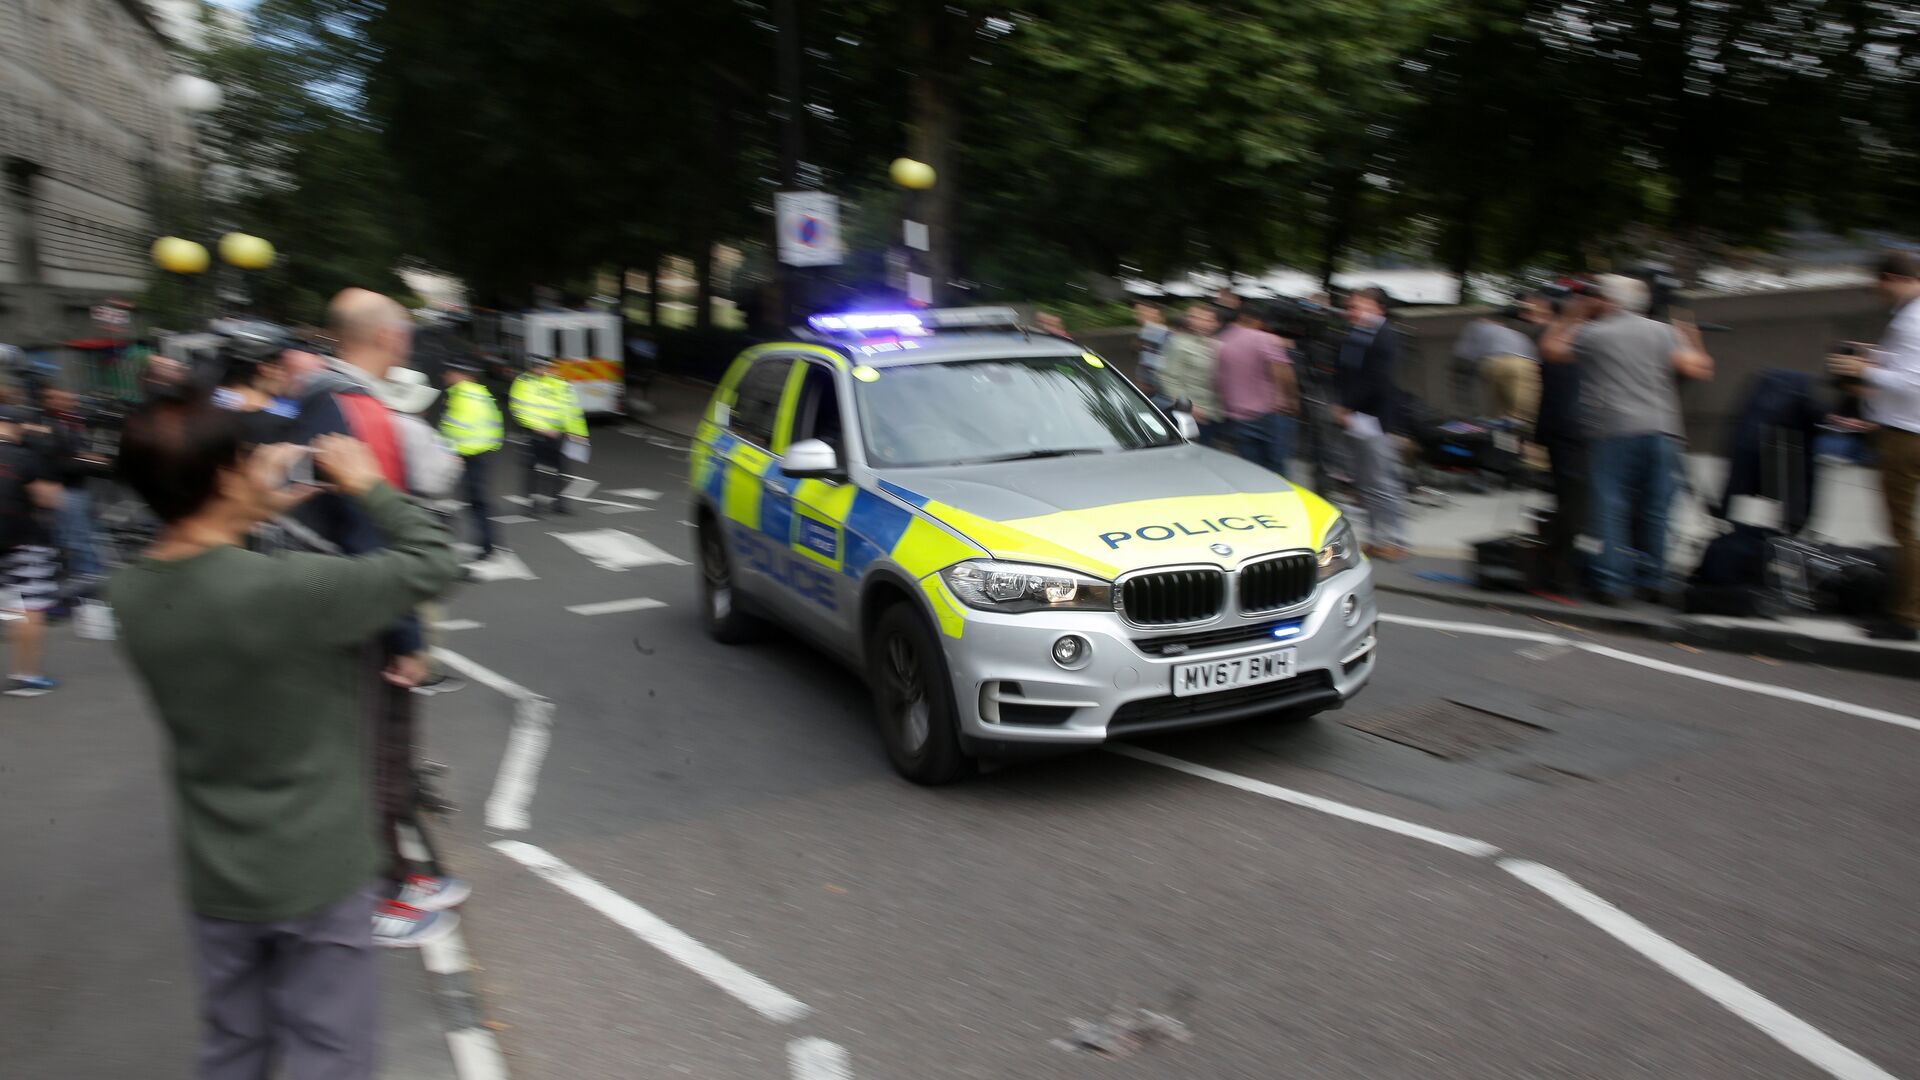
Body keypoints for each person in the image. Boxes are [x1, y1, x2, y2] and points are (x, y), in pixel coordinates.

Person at [111, 402, 459, 1080]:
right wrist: (369, 484)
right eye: (245, 460)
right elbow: (433, 561)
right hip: (317, 870)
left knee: (234, 1049)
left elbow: (206, 577)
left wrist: (246, 508)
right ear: (222, 476)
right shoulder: (294, 590)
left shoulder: (128, 594)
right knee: (330, 1056)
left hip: (217, 874)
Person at [295, 289, 467, 945]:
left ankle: (394, 875)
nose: (408, 337)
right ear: (386, 336)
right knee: (373, 753)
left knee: (382, 753)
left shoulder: (328, 397)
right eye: (403, 326)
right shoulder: (354, 409)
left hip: (331, 607)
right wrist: (408, 635)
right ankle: (372, 897)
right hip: (356, 616)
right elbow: (376, 537)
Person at [1541, 273, 1712, 606]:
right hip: (1664, 431)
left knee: (1610, 506)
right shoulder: (1663, 332)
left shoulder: (1594, 334)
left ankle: (1613, 584)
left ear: (1607, 301)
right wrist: (1692, 338)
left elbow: (1550, 350)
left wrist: (1571, 314)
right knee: (1657, 510)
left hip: (1612, 431)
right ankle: (1656, 580)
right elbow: (1698, 368)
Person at [1828, 250, 1920, 640]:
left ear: (1890, 279)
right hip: (1908, 428)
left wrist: (1864, 369)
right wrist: (1878, 358)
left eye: (1877, 284)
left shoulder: (1911, 320)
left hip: (1905, 434)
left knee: (1903, 530)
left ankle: (1905, 617)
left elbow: (1912, 382)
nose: (1875, 291)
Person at [1334, 288, 1409, 560]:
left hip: (1375, 419)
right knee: (1366, 483)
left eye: (1360, 304)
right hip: (1355, 418)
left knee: (1384, 482)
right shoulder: (1354, 336)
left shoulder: (1385, 336)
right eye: (1351, 305)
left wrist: (1347, 404)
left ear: (1379, 308)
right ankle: (1377, 537)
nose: (1353, 309)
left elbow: (1378, 380)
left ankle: (1397, 540)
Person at [0, 406, 60, 695]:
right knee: (28, 607)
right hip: (26, 541)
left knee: (10, 606)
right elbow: (49, 500)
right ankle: (27, 676)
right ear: (14, 425)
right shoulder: (24, 456)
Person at [1215, 303, 1299, 477]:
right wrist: (1292, 401)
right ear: (1256, 320)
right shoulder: (1264, 339)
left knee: (1253, 471)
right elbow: (1283, 373)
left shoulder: (1222, 340)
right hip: (1269, 415)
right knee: (1278, 469)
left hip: (1236, 416)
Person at [440, 359, 504, 561]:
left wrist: (452, 451)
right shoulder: (479, 393)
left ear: (460, 374)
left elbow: (455, 429)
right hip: (479, 454)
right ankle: (487, 543)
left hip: (469, 456)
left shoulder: (463, 396)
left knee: (476, 502)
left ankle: (487, 545)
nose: (445, 377)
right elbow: (494, 423)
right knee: (476, 502)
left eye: (449, 373)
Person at [509, 355, 586, 516]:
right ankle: (533, 505)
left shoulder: (558, 383)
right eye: (538, 367)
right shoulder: (523, 382)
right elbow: (519, 409)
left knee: (560, 469)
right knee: (534, 470)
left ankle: (559, 503)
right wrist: (539, 428)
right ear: (531, 367)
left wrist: (577, 432)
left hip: (556, 434)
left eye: (545, 367)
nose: (542, 370)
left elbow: (571, 409)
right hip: (534, 433)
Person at [1453, 310, 1541, 427]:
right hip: (1520, 364)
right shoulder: (1517, 335)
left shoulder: (1476, 326)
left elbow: (1464, 354)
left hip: (1491, 364)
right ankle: (1525, 436)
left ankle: (1507, 439)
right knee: (1526, 414)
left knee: (1503, 413)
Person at [1158, 304, 1223, 442]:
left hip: (1217, 412)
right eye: (1195, 317)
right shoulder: (1178, 344)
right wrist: (1188, 408)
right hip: (1193, 414)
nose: (1199, 321)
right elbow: (1169, 378)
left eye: (1207, 319)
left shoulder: (1218, 344)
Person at [1132, 301, 1171, 399]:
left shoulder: (1160, 334)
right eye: (1138, 312)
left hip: (1160, 387)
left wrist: (1144, 382)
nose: (1139, 315)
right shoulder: (1144, 332)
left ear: (1158, 316)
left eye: (1144, 312)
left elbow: (1153, 364)